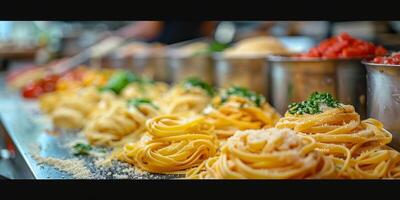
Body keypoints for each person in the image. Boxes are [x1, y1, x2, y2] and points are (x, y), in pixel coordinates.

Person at [117, 21, 216, 44]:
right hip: (192, 48)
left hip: (165, 50)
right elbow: (208, 28)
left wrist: (119, 34)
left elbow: (149, 29)